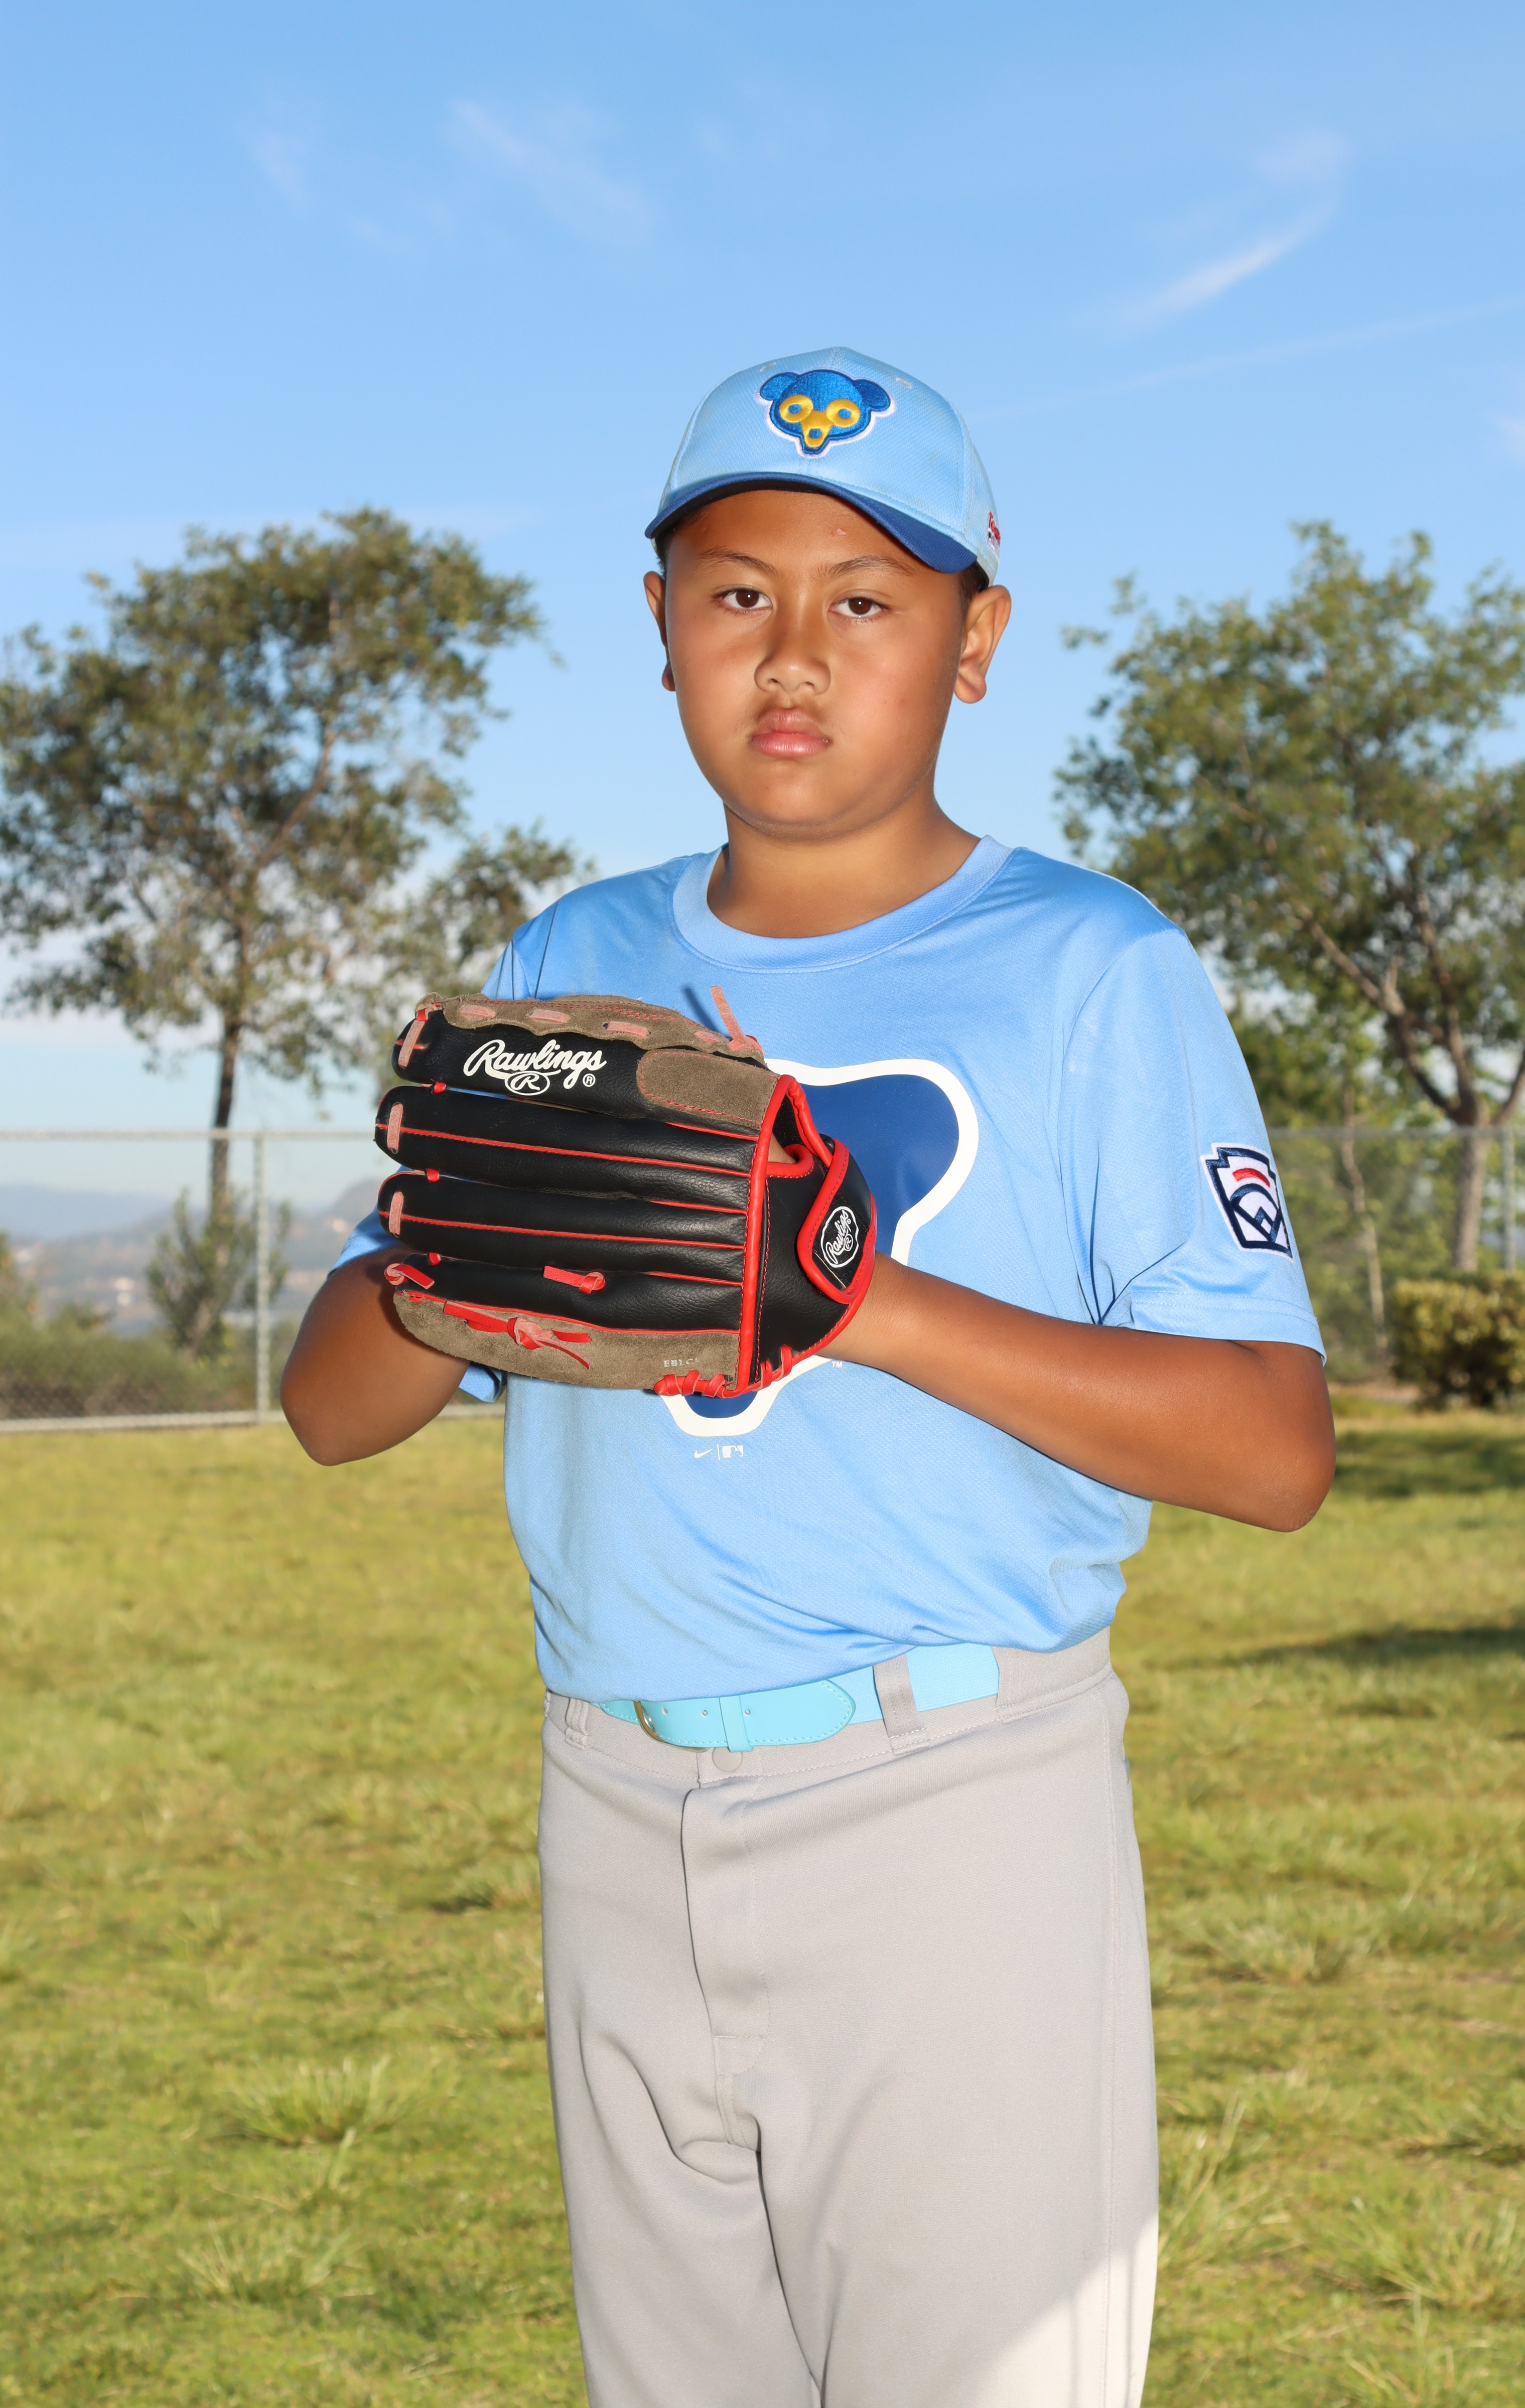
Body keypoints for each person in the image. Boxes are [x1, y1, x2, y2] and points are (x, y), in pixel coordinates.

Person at [282, 347, 1333, 2408]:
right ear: (661, 624)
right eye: (736, 592)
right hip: (609, 1787)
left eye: (865, 599)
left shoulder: (1089, 963)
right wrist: (442, 1254)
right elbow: (333, 1408)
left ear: (974, 640)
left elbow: (1272, 1451)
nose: (792, 653)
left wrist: (844, 1288)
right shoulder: (575, 956)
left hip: (947, 1800)